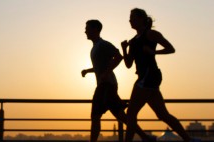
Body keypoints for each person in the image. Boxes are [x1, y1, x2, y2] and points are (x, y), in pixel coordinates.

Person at [121, 8, 199, 142]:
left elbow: (171, 49)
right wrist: (124, 49)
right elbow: (128, 64)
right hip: (143, 77)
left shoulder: (151, 34)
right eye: (130, 17)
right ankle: (188, 139)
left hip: (150, 76)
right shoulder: (133, 41)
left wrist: (153, 52)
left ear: (141, 19)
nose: (130, 20)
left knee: (131, 113)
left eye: (132, 17)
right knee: (163, 115)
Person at [82, 19, 155, 142]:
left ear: (95, 30)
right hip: (105, 85)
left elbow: (119, 57)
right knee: (121, 116)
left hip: (107, 85)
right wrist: (88, 71)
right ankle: (145, 137)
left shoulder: (103, 44)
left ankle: (145, 137)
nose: (85, 31)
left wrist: (106, 73)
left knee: (95, 116)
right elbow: (100, 67)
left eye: (87, 28)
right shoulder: (95, 47)